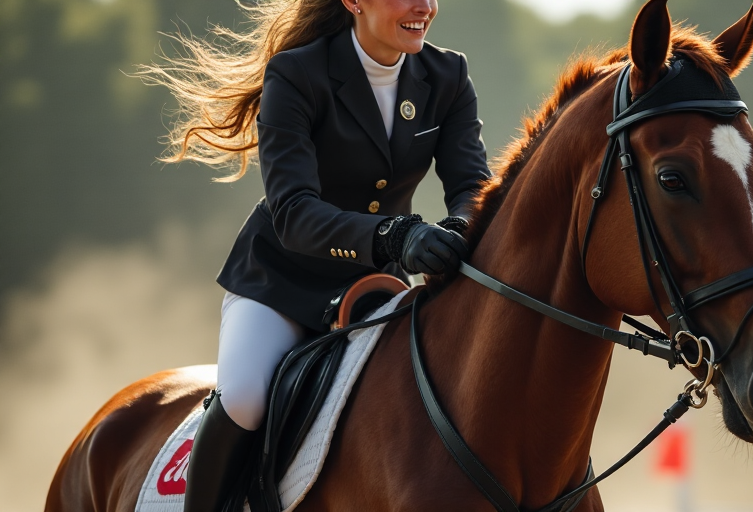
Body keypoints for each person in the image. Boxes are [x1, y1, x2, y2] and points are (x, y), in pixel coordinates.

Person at [138, 0, 489, 509]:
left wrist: (460, 226)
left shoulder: (448, 73)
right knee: (243, 398)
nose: (426, 7)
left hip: (374, 292)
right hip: (280, 282)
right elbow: (295, 212)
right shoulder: (297, 74)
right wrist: (396, 237)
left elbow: (471, 183)